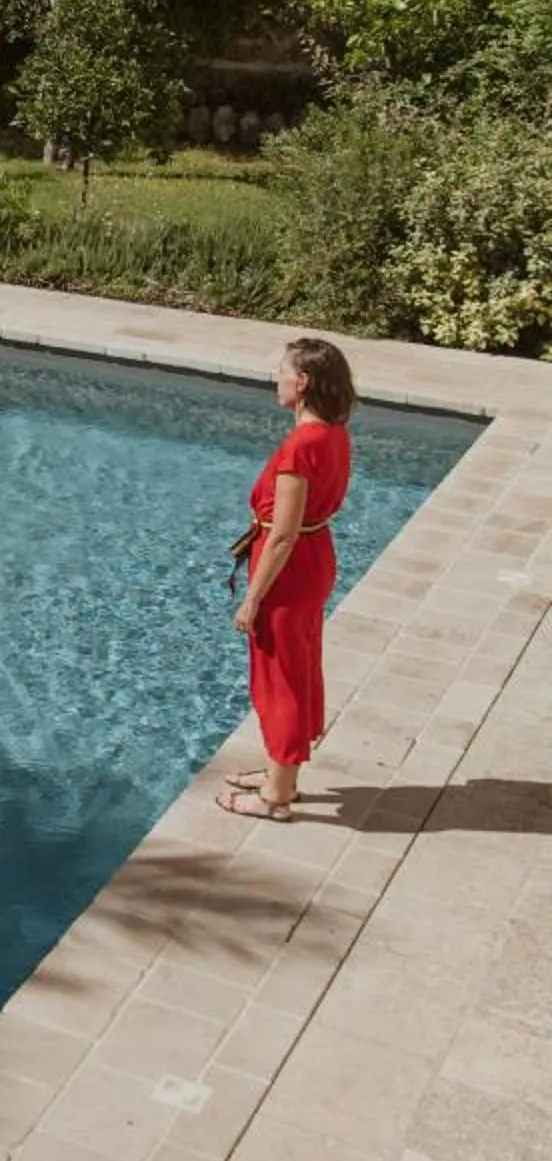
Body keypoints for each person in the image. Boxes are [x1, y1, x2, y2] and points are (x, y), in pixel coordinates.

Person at [220, 335, 356, 822]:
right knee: (296, 668)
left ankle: (276, 796)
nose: (274, 379)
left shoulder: (301, 447)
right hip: (315, 557)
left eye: (281, 372)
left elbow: (282, 535)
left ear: (302, 383)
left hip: (288, 570)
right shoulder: (335, 433)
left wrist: (252, 600)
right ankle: (282, 771)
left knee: (280, 679)